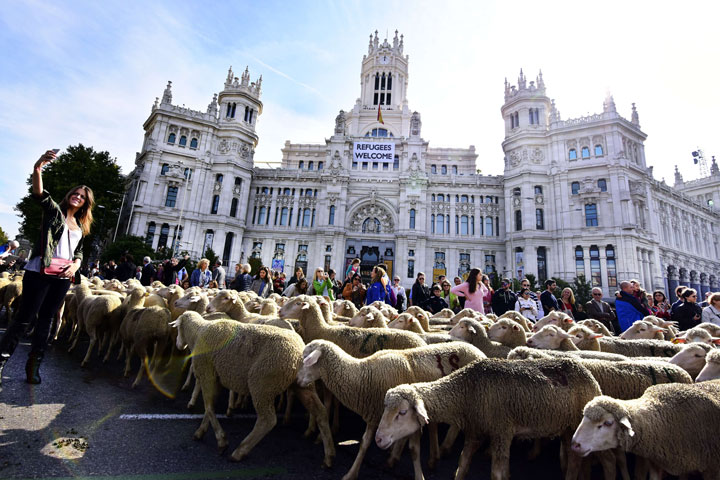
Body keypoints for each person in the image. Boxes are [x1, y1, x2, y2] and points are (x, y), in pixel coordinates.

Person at [0, 150, 94, 385]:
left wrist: (76, 264)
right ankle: (1, 361)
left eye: (82, 197)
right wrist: (38, 168)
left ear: (86, 203)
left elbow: (79, 251)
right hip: (39, 272)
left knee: (47, 320)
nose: (78, 197)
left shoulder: (81, 225)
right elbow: (39, 194)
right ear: (69, 195)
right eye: (75, 194)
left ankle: (34, 365)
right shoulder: (55, 212)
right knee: (24, 318)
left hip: (62, 278)